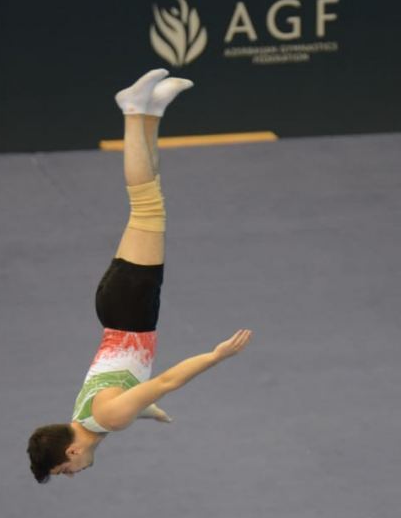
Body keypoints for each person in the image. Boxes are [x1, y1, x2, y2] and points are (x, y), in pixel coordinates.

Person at [27, 68, 252, 482]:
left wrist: (215, 357)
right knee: (149, 201)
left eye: (65, 469)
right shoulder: (91, 419)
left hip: (131, 310)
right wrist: (149, 411)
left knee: (147, 204)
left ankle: (133, 110)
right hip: (118, 308)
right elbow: (134, 396)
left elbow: (165, 380)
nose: (72, 472)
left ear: (72, 450)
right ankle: (152, 111)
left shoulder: (109, 418)